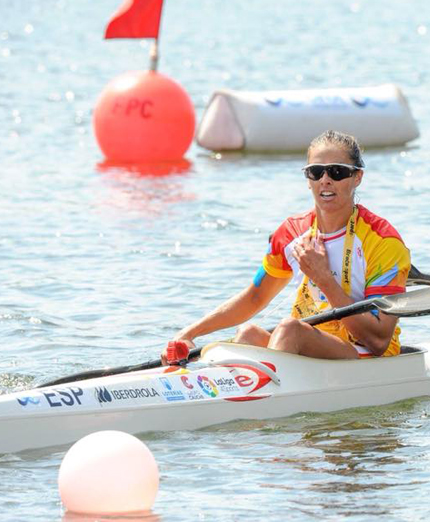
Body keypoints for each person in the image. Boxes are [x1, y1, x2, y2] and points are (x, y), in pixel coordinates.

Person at [161, 131, 411, 365]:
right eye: (315, 172)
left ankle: (259, 398)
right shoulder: (291, 233)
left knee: (290, 328)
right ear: (308, 180)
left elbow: (378, 340)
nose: (325, 180)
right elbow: (255, 298)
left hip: (365, 356)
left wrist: (324, 279)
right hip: (309, 340)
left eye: (337, 172)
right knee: (248, 333)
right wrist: (188, 333)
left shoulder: (383, 242)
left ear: (357, 177)